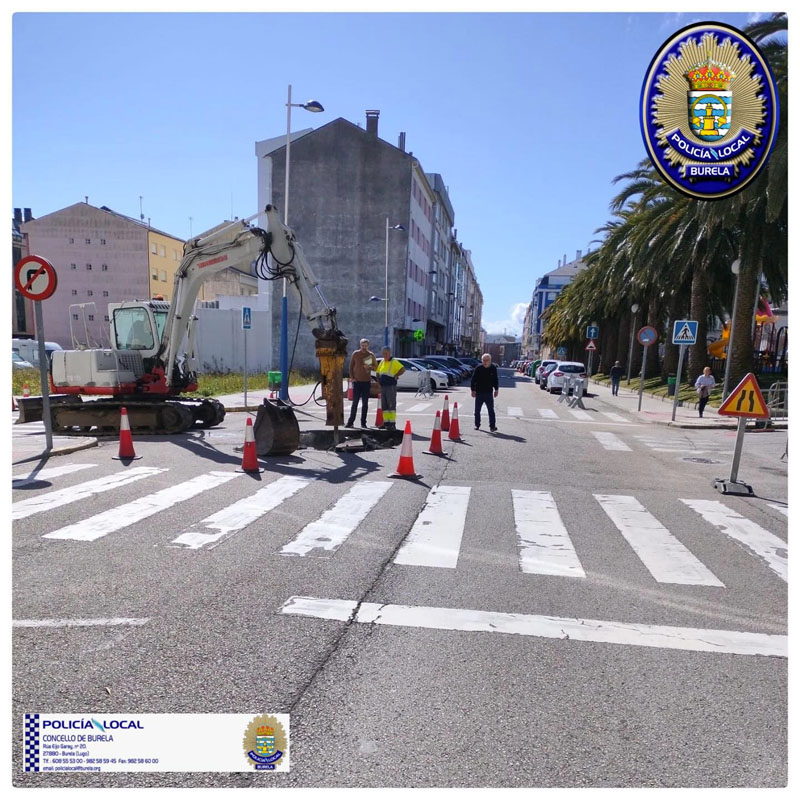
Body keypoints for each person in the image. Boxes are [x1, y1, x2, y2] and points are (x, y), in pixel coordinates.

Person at [345, 338, 376, 428]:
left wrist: (370, 367)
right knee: (355, 403)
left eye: (365, 346)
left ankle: (363, 423)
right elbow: (351, 367)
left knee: (365, 404)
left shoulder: (370, 355)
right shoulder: (356, 354)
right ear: (360, 345)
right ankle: (350, 422)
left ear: (368, 346)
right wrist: (352, 378)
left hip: (366, 382)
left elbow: (376, 367)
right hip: (357, 382)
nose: (364, 347)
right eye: (362, 345)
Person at [375, 346, 405, 430]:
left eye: (386, 353)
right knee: (384, 406)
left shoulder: (393, 361)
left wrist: (396, 375)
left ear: (390, 353)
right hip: (383, 386)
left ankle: (392, 423)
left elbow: (402, 369)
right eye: (383, 353)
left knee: (391, 405)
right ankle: (386, 423)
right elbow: (378, 372)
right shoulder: (382, 362)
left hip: (390, 386)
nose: (385, 355)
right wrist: (378, 382)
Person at [471, 352, 499, 431]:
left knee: (491, 410)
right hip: (479, 392)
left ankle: (492, 426)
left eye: (486, 360)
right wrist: (473, 390)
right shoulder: (478, 368)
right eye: (483, 360)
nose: (485, 362)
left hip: (489, 392)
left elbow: (495, 380)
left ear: (490, 360)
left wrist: (496, 389)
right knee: (477, 410)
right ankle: (477, 425)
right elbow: (473, 380)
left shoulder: (493, 368)